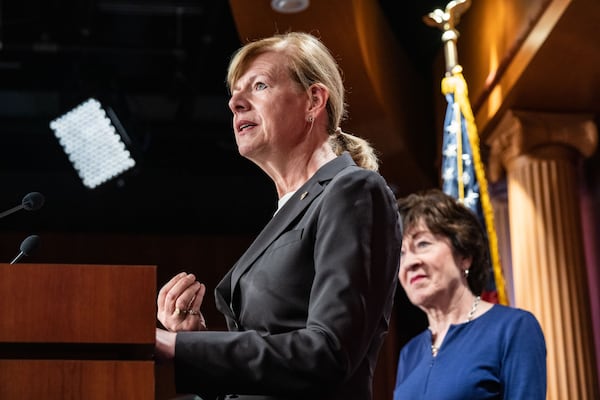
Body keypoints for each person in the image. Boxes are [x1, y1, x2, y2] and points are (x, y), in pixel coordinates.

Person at [154, 31, 402, 400]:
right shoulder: (293, 209)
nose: (235, 102)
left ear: (314, 101)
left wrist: (179, 348)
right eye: (235, 93)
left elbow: (328, 353)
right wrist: (194, 338)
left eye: (259, 85)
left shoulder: (353, 191)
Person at [392, 188, 547, 400]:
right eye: (401, 253)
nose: (410, 262)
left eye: (423, 244)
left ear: (464, 255)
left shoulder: (513, 328)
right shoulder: (409, 353)